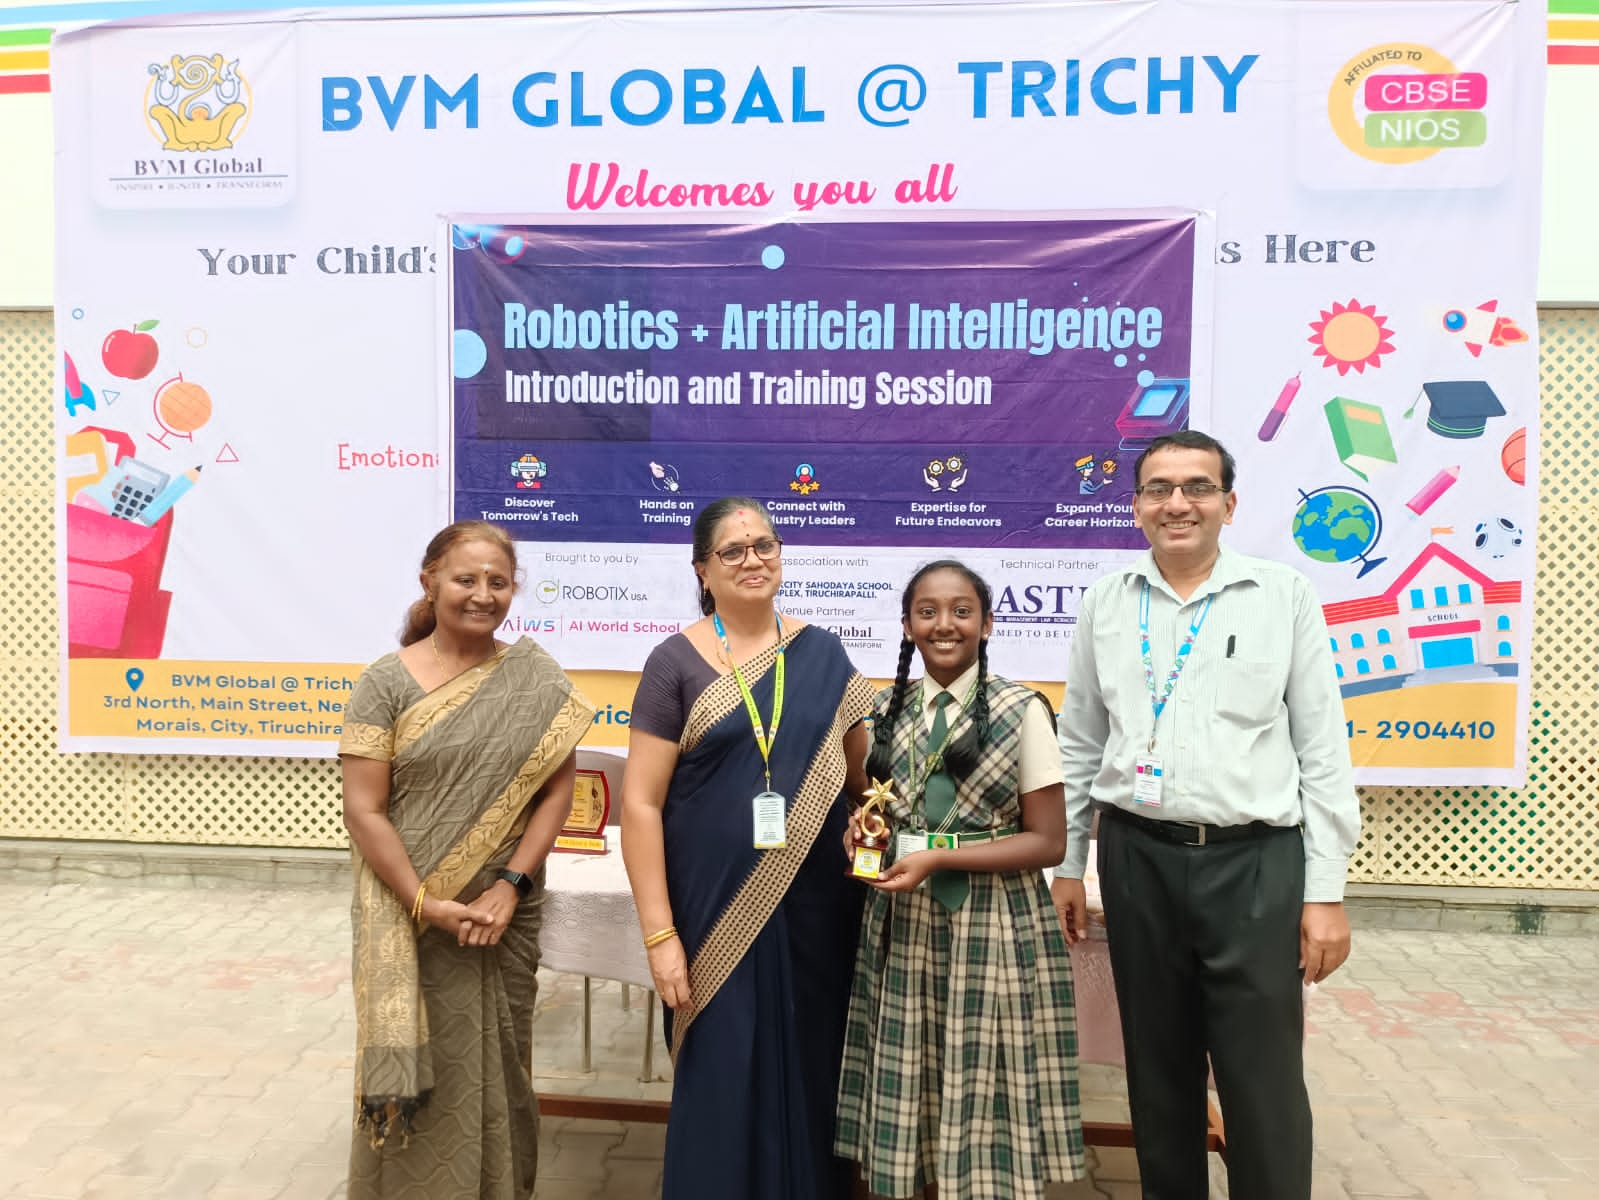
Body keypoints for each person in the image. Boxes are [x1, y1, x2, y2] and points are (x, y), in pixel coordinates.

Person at [1051, 430, 1360, 1200]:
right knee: (1157, 1069)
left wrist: (1323, 893)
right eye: (1158, 489)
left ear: (1228, 502)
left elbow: (1321, 750)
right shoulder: (1105, 602)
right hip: (1135, 857)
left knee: (1260, 1077)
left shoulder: (1279, 596)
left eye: (1195, 487)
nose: (1176, 503)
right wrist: (1066, 862)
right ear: (1135, 507)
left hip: (1254, 863)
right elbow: (1080, 741)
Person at [620, 497, 877, 1200]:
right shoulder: (673, 663)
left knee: (813, 1064)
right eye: (732, 551)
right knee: (724, 1069)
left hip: (819, 913)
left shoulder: (821, 653)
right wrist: (659, 934)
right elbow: (639, 805)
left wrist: (872, 828)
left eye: (764, 545)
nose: (752, 559)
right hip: (711, 913)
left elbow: (861, 785)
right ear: (703, 570)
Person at [340, 520, 594, 1199]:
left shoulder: (535, 677)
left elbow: (556, 791)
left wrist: (510, 886)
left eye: (498, 582)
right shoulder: (383, 684)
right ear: (430, 580)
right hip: (409, 913)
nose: (483, 595)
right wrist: (425, 902)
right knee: (418, 1069)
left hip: (500, 915)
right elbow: (364, 810)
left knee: (502, 1063)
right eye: (465, 579)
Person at [836, 560, 1087, 1200]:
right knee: (915, 1075)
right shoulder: (883, 711)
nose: (944, 624)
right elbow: (870, 812)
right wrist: (864, 839)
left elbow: (1047, 841)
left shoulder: (1022, 708)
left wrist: (940, 858)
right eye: (927, 611)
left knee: (985, 1079)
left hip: (995, 924)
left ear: (986, 623)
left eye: (961, 610)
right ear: (906, 626)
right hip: (905, 927)